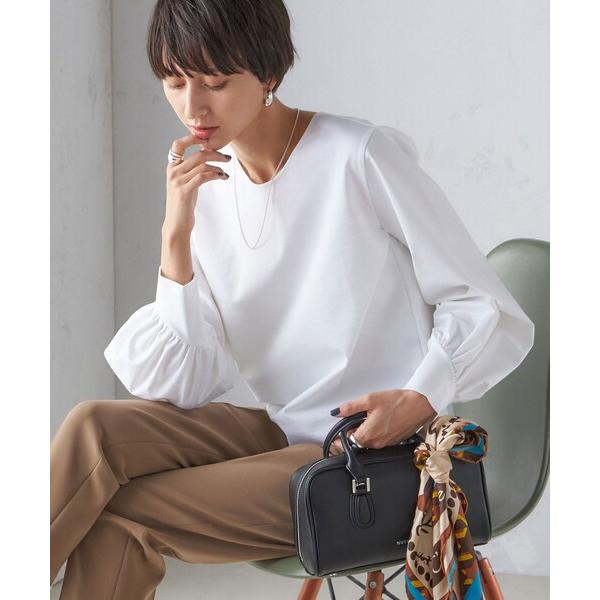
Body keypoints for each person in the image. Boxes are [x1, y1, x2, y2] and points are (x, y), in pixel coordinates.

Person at [50, 0, 535, 597]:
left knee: (124, 513)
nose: (193, 107)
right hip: (285, 435)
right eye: (174, 82)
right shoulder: (205, 184)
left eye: (215, 82)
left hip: (377, 454)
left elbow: (480, 302)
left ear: (269, 73)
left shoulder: (359, 157)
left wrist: (421, 397)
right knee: (93, 426)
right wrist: (176, 232)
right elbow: (187, 386)